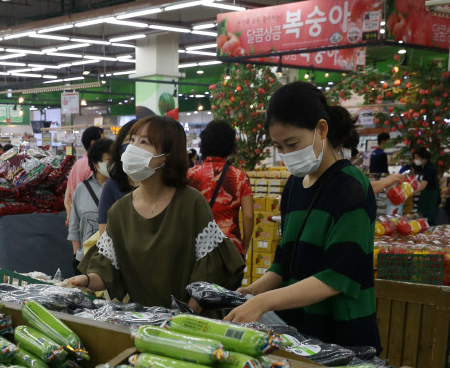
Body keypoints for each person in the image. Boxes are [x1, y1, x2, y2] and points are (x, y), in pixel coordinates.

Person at [226, 81, 381, 353]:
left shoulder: (350, 187)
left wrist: (263, 302)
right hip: (299, 333)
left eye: (292, 143)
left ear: (321, 129)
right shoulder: (294, 186)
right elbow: (284, 263)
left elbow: (336, 277)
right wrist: (251, 292)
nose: (287, 154)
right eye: (279, 147)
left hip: (343, 337)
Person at [67, 115, 244, 309]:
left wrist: (184, 317)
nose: (132, 148)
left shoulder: (191, 204)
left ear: (167, 155)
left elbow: (208, 274)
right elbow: (106, 271)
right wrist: (85, 280)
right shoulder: (119, 211)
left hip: (190, 322)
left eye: (144, 142)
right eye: (132, 140)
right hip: (143, 321)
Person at [188, 120, 254, 257]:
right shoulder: (239, 177)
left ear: (204, 144)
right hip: (230, 249)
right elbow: (248, 216)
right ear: (230, 146)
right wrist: (245, 245)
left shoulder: (191, 175)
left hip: (197, 247)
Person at [68, 136, 114, 268]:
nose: (113, 164)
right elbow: (74, 225)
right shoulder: (82, 189)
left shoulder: (121, 188)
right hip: (87, 259)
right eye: (109, 160)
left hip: (114, 260)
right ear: (95, 163)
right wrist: (77, 255)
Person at [97, 119, 137, 236]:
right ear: (119, 149)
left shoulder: (159, 186)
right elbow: (104, 232)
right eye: (130, 139)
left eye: (144, 141)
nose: (136, 145)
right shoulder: (112, 187)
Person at [64, 126, 105, 220]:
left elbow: (68, 195)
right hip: (91, 218)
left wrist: (69, 214)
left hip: (78, 216)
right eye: (103, 141)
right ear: (93, 143)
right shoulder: (93, 167)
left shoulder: (77, 164)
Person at [413, 146, 440, 225]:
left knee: (428, 221)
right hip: (424, 198)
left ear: (423, 157)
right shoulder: (423, 168)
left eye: (417, 157)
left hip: (430, 199)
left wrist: (409, 194)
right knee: (422, 220)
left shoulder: (429, 169)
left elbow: (422, 186)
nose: (415, 160)